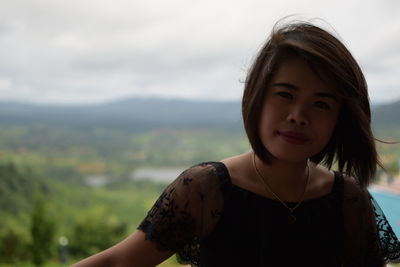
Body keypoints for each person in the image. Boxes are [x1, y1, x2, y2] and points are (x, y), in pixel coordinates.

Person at [72, 19, 400, 267]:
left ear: (339, 119)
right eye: (285, 94)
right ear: (257, 96)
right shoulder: (205, 189)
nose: (299, 116)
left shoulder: (348, 200)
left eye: (321, 104)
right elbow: (120, 261)